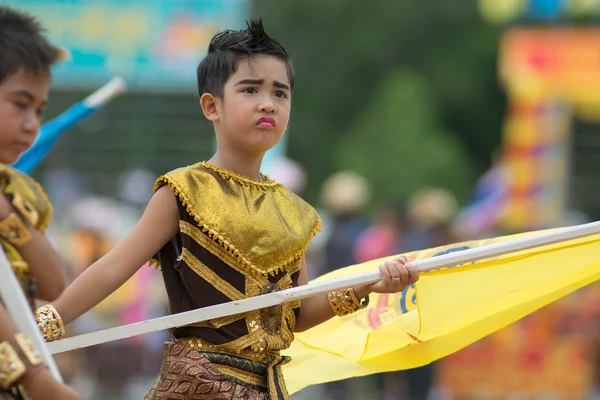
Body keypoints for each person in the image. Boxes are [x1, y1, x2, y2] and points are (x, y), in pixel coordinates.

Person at [36, 20, 419, 399]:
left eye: (280, 93)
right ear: (211, 106)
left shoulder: (296, 212)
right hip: (195, 386)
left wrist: (370, 284)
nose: (268, 102)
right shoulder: (183, 190)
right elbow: (114, 267)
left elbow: (296, 314)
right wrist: (45, 322)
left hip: (266, 389)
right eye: (250, 90)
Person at [0, 6, 80, 399]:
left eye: (40, 109)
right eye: (20, 103)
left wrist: (6, 215)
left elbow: (53, 283)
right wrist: (36, 379)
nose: (33, 123)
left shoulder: (19, 193)